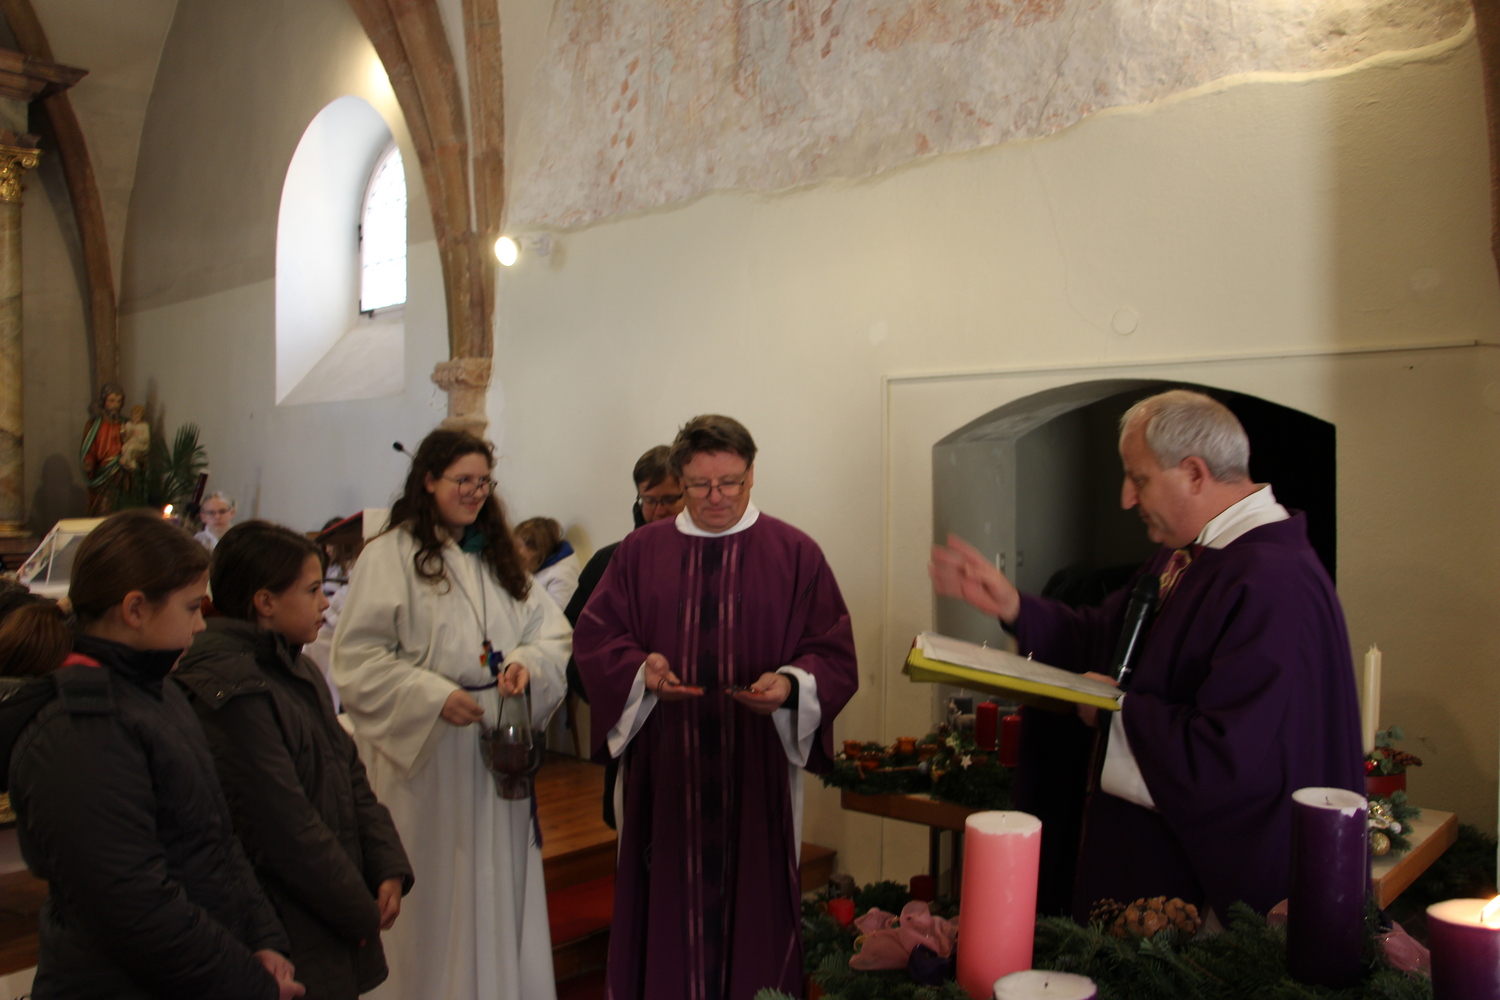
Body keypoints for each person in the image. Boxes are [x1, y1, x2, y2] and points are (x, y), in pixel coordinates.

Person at [930, 389, 1364, 921]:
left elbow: (1232, 759)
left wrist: (1114, 714)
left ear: (1195, 473)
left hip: (1203, 899)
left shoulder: (1274, 582)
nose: (1126, 499)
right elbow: (1108, 639)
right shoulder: (1193, 556)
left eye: (1139, 479)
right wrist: (1015, 607)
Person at [574, 414, 859, 1000]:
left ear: (751, 474)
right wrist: (641, 671)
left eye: (730, 482)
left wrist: (789, 686)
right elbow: (596, 638)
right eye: (700, 485)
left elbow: (832, 650)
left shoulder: (794, 553)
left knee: (754, 909)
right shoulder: (639, 552)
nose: (716, 497)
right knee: (664, 907)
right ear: (680, 479)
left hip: (756, 768)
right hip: (664, 769)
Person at [0, 509, 304, 999]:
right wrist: (247, 981)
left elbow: (217, 841)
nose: (200, 626)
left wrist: (263, 939)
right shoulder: (80, 729)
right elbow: (129, 904)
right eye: (191, 608)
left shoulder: (155, 692)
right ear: (135, 609)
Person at [331, 429, 570, 1000]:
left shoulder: (498, 556)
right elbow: (357, 659)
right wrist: (431, 696)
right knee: (437, 892)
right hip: (429, 753)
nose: (475, 491)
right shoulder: (390, 556)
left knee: (497, 881)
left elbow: (552, 634)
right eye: (462, 479)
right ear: (428, 481)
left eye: (483, 481)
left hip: (496, 747)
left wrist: (525, 666)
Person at [174, 521, 414, 999]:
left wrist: (385, 862)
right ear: (265, 602)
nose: (325, 602)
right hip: (285, 920)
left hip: (328, 909)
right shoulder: (232, 690)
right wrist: (356, 906)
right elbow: (283, 825)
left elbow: (351, 776)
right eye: (312, 590)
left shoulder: (297, 667)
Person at [562, 444, 685, 827]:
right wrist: (624, 686)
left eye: (669, 499)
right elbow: (573, 648)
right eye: (649, 500)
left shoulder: (718, 558)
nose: (659, 510)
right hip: (636, 728)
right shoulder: (609, 561)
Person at [514, 516, 582, 609]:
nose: (514, 551)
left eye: (518, 546)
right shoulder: (535, 562)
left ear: (536, 550)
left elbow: (556, 613)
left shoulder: (562, 575)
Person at [79, 382, 126, 514]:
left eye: (119, 401)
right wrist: (88, 461)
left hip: (123, 473)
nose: (115, 405)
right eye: (111, 401)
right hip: (102, 475)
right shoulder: (94, 425)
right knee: (103, 511)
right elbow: (90, 449)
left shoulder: (126, 424)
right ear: (104, 401)